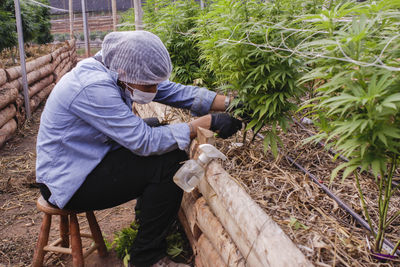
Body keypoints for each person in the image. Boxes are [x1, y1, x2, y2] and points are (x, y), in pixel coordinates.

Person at [36, 31, 242, 267]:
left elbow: (174, 92)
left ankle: (147, 219)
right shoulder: (94, 88)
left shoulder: (120, 69)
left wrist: (229, 103)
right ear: (126, 74)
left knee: (157, 130)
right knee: (171, 163)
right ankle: (147, 257)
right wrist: (205, 124)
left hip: (83, 158)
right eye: (149, 83)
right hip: (69, 182)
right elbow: (144, 142)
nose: (154, 88)